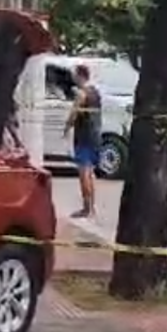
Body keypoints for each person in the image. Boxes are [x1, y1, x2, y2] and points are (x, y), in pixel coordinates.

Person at [63, 63, 102, 218]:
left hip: (84, 137)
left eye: (75, 75)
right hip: (95, 136)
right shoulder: (96, 92)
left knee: (84, 173)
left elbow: (73, 114)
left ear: (80, 76)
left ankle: (86, 208)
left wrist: (66, 128)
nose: (73, 77)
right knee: (90, 173)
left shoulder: (82, 94)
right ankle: (91, 206)